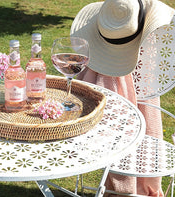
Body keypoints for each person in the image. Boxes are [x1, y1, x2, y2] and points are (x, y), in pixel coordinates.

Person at [70, 0, 175, 196]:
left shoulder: (121, 13)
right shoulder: (146, 60)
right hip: (134, 42)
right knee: (144, 110)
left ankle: (131, 188)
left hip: (127, 40)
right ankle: (133, 188)